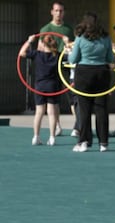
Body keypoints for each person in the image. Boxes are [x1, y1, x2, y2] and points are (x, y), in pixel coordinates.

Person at [68, 11, 114, 152]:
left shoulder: (80, 38)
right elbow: (111, 59)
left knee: (84, 110)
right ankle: (103, 143)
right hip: (102, 73)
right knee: (101, 109)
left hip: (84, 74)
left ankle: (83, 142)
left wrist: (70, 52)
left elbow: (73, 59)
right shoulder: (106, 38)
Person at [20, 34, 63, 146]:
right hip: (52, 86)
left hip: (40, 87)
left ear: (43, 44)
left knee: (39, 112)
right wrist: (67, 43)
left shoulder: (37, 54)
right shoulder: (57, 55)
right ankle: (52, 137)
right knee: (52, 113)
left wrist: (29, 41)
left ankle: (36, 137)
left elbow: (22, 53)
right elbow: (72, 57)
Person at [39, 1, 74, 136]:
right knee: (54, 98)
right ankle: (57, 126)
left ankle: (78, 126)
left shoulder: (68, 29)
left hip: (65, 64)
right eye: (57, 10)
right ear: (52, 12)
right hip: (51, 66)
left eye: (61, 11)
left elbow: (73, 47)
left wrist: (68, 45)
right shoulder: (45, 29)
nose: (59, 13)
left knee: (72, 96)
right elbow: (40, 49)